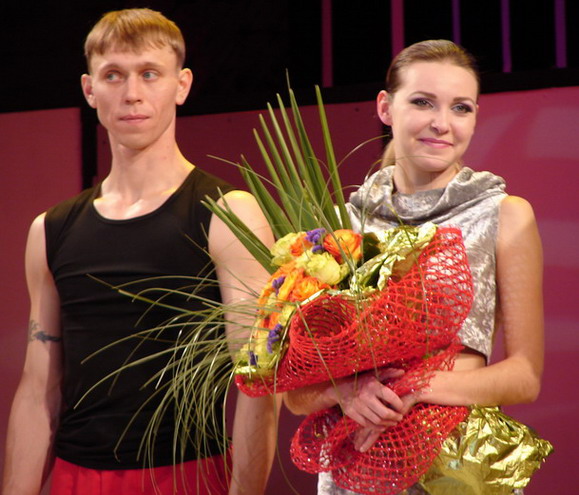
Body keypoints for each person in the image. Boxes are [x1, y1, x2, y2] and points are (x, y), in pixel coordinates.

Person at [2, 8, 278, 495]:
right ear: (90, 89)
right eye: (114, 75)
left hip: (188, 475)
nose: (131, 93)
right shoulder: (50, 229)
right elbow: (38, 386)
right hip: (75, 477)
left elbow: (260, 383)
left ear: (181, 85)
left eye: (149, 74)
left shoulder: (228, 214)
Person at [283, 39, 544, 494]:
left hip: (457, 466)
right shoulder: (341, 226)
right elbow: (295, 393)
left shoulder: (503, 214)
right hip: (357, 468)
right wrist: (347, 392)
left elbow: (525, 377)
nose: (442, 123)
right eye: (423, 102)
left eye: (460, 108)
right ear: (385, 108)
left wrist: (415, 387)